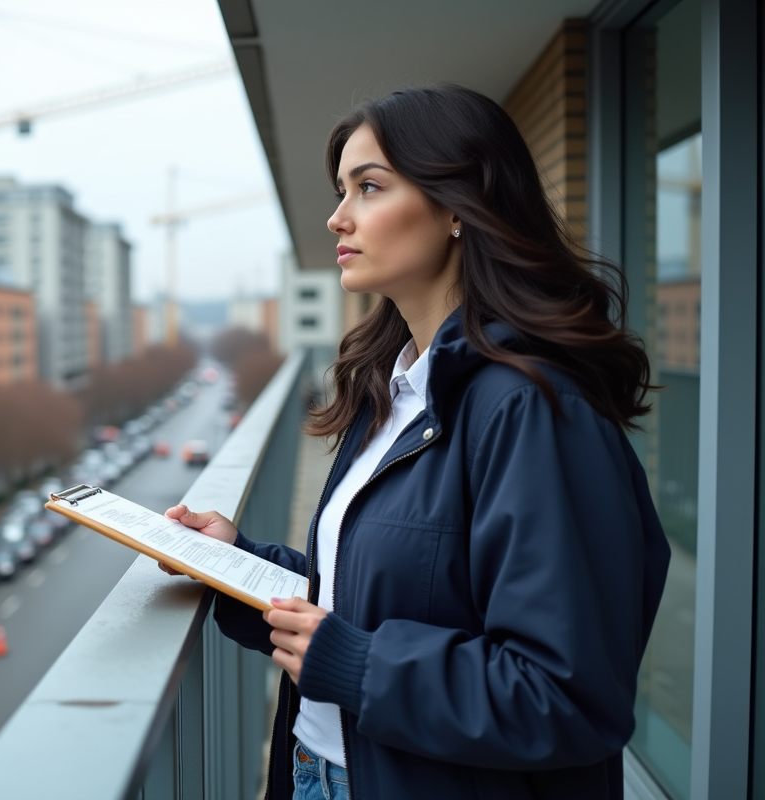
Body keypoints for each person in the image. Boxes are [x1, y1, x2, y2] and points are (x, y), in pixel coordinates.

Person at [160, 84, 671, 800]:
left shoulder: (533, 410)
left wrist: (359, 664)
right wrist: (240, 568)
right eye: (342, 190)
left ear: (459, 206)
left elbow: (566, 694)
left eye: (369, 187)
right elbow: (399, 594)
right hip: (320, 771)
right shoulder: (395, 392)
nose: (338, 217)